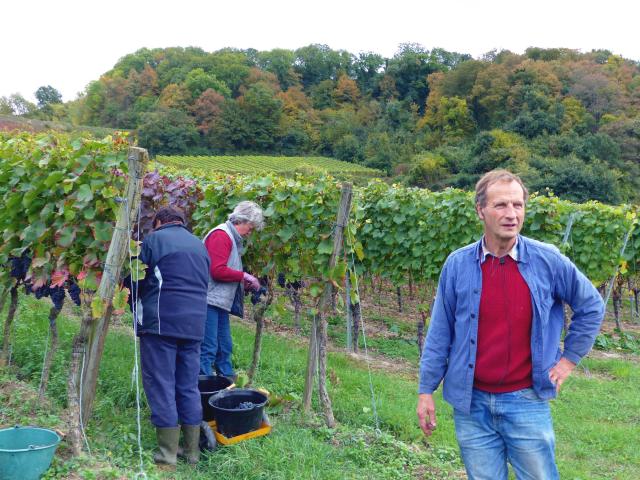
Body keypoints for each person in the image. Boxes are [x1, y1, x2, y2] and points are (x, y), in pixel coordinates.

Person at [417, 170, 605, 479]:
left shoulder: (548, 261)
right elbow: (440, 332)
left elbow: (592, 306)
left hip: (526, 401)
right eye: (501, 205)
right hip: (471, 404)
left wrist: (569, 360)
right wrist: (426, 390)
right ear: (480, 210)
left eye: (518, 205)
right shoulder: (458, 265)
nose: (511, 214)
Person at [130, 206, 210, 468]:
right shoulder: (200, 246)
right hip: (195, 325)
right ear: (181, 222)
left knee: (161, 383)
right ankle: (192, 452)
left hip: (161, 323)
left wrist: (130, 304)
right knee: (187, 385)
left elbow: (135, 280)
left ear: (158, 222)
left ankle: (167, 456)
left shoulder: (153, 241)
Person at [200, 200, 264, 378]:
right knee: (208, 347)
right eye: (250, 227)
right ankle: (204, 384)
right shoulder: (221, 235)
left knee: (224, 346)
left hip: (219, 301)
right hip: (209, 299)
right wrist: (243, 276)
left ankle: (227, 382)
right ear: (241, 220)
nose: (250, 232)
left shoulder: (231, 238)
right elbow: (217, 270)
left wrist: (242, 280)